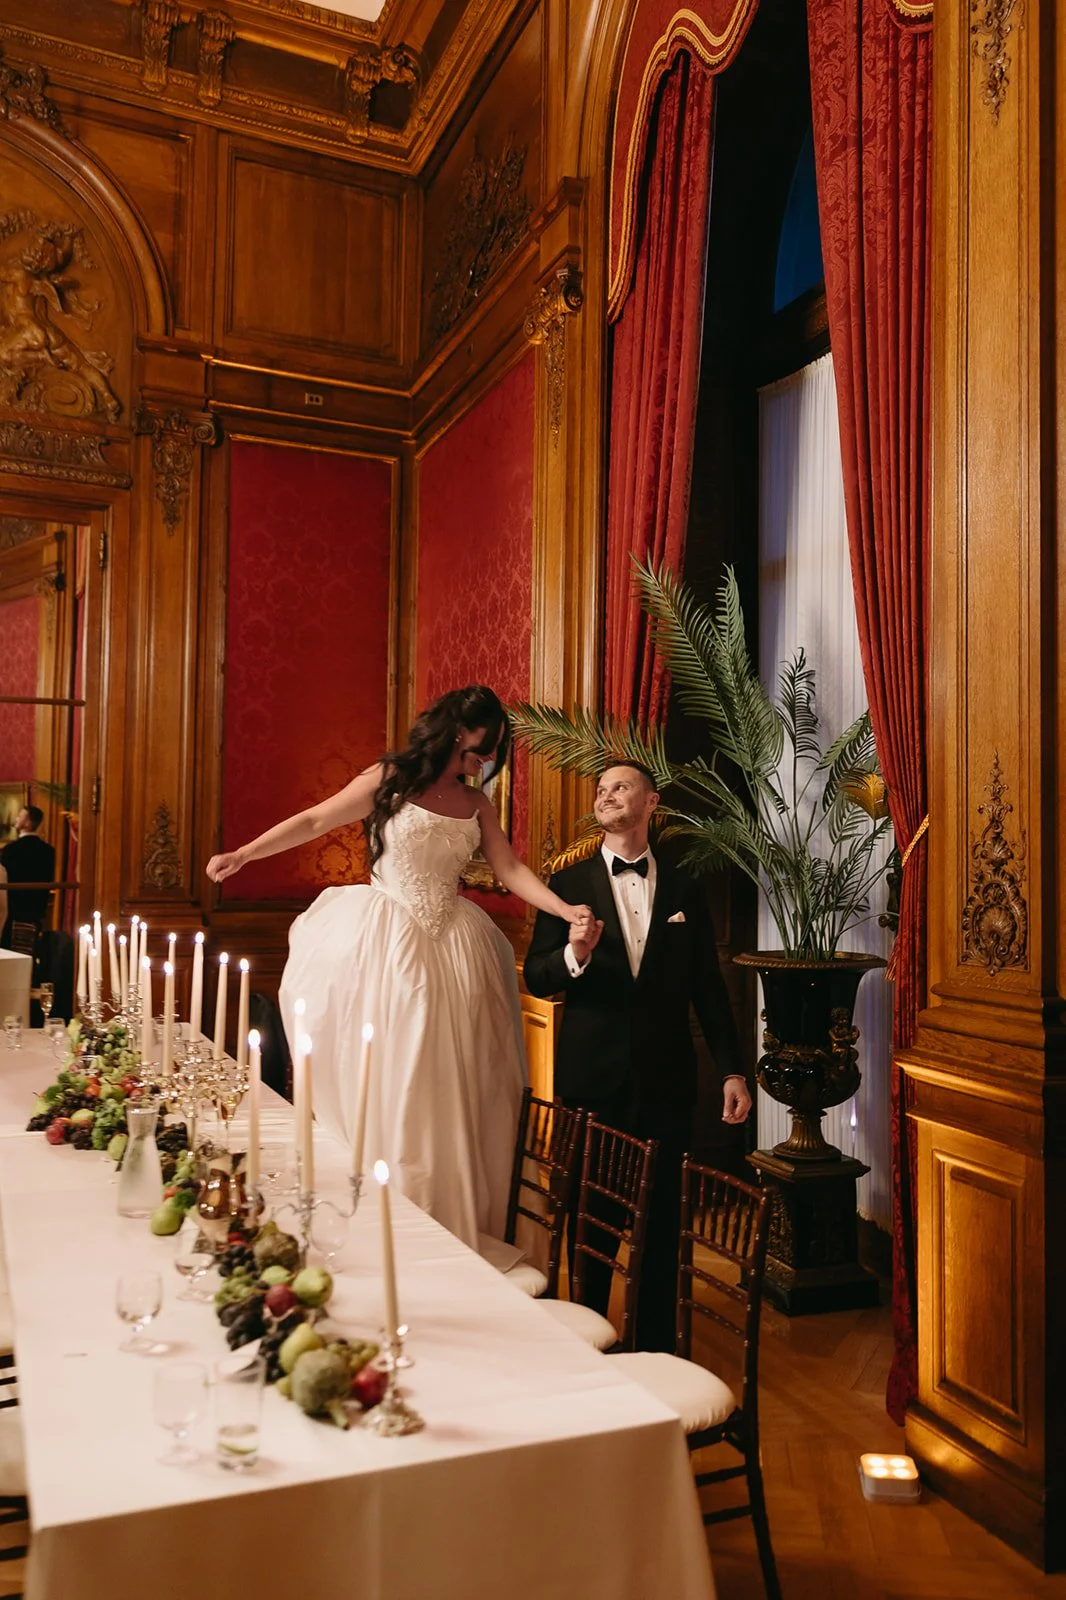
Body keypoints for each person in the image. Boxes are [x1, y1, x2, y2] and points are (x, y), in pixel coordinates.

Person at [207, 686, 595, 1253]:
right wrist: (245, 853)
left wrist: (564, 909)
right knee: (392, 1069)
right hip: (386, 942)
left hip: (455, 950)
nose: (488, 758)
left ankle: (443, 1216)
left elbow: (509, 868)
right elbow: (315, 819)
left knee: (453, 1078)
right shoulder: (390, 778)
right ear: (456, 731)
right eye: (483, 744)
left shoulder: (477, 803)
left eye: (493, 749)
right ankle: (375, 1208)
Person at [523, 761, 753, 1351]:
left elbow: (708, 987)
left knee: (663, 1222)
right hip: (593, 1079)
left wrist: (732, 1070)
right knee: (592, 1219)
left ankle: (652, 1349)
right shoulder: (565, 884)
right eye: (601, 789)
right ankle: (586, 1345)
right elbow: (536, 976)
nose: (605, 795)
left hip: (667, 1081)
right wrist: (574, 954)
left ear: (651, 802)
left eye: (620, 787)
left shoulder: (684, 887)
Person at [1, 804, 56, 948]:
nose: (16, 818)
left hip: (13, 912)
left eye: (20, 816)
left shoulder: (11, 850)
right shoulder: (49, 851)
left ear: (28, 822)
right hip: (37, 912)